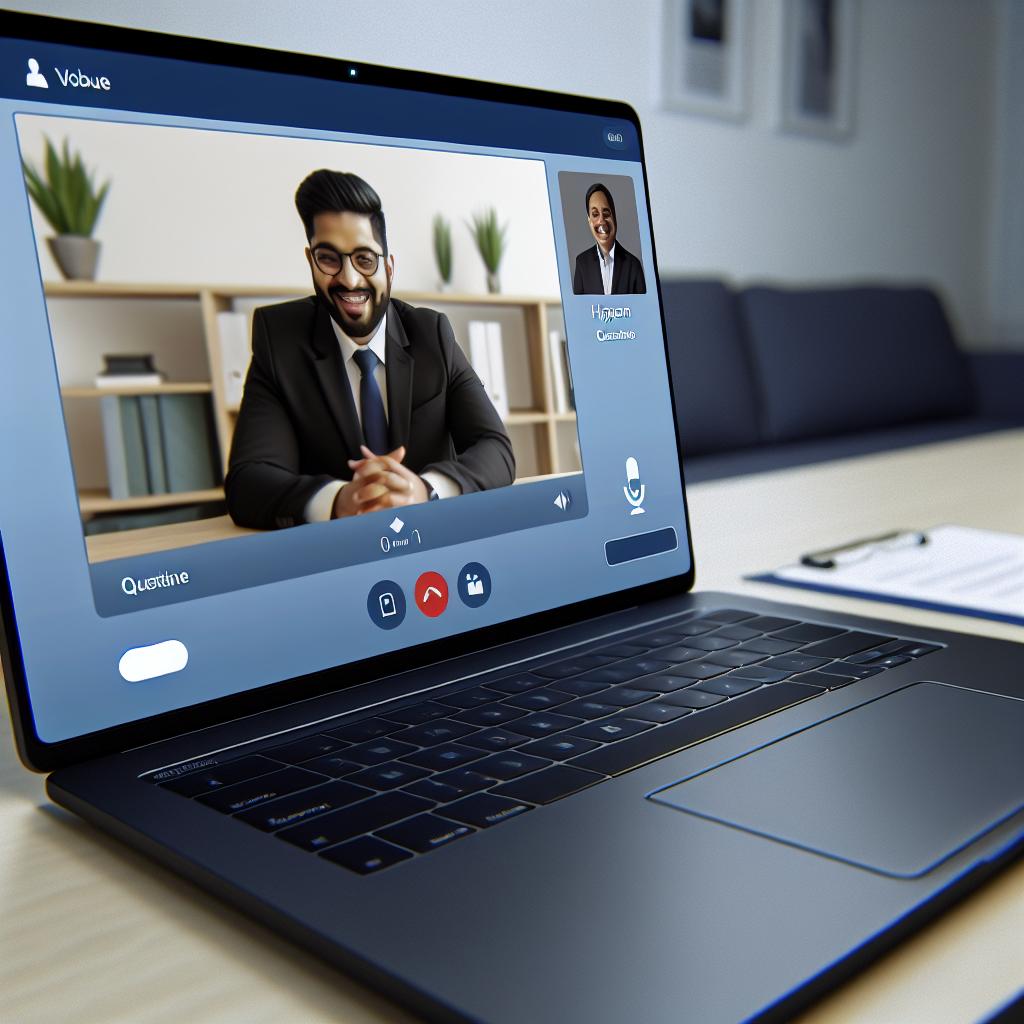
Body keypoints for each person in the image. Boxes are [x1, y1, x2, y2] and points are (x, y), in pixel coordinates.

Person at [225, 169, 515, 530]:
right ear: (310, 260)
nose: (348, 279)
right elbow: (248, 482)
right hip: (336, 555)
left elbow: (496, 449)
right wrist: (340, 499)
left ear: (390, 268)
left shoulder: (431, 334)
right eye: (329, 258)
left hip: (435, 540)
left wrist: (425, 489)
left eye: (365, 259)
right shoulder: (279, 340)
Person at [571, 182, 646, 296]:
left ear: (614, 216)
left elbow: (643, 310)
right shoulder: (582, 263)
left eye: (606, 213)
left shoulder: (633, 265)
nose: (601, 220)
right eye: (595, 214)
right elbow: (579, 310)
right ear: (589, 221)